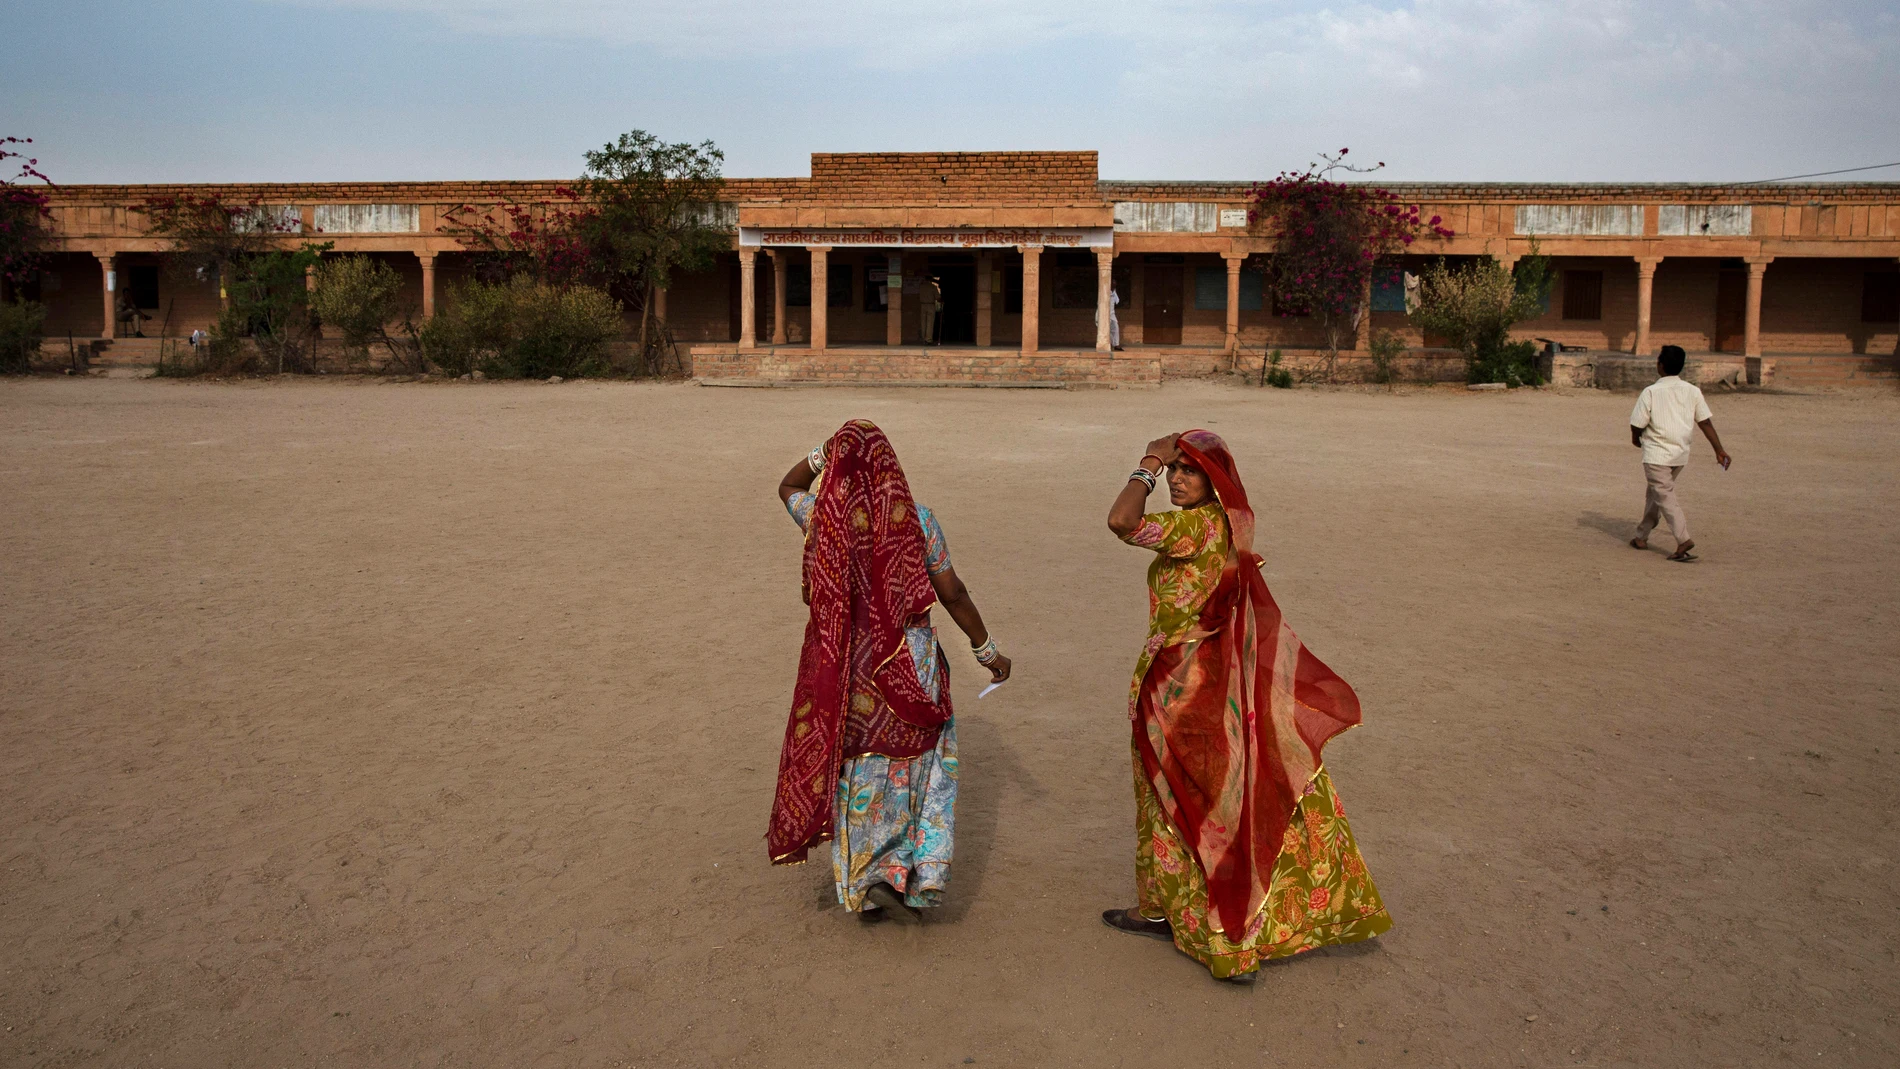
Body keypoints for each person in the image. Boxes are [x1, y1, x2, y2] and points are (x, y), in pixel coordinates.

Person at [1102, 430, 1391, 982]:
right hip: (1215, 681)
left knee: (1183, 798)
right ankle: (1167, 907)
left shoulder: (1193, 528)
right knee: (1203, 795)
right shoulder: (1230, 526)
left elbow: (1121, 520)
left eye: (1191, 471)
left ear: (1215, 484)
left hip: (1181, 689)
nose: (1178, 480)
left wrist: (1148, 464)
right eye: (1175, 471)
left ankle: (1218, 931)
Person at [767, 420, 1011, 922]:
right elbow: (953, 593)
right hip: (909, 662)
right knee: (921, 764)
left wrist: (821, 452)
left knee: (862, 765)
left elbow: (787, 486)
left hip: (853, 666)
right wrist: (986, 651)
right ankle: (911, 874)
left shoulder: (825, 519)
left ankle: (866, 876)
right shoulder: (918, 521)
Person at [1629, 344, 1731, 563]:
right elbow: (1705, 422)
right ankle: (1641, 536)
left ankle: (1683, 539)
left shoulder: (1651, 392)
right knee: (1656, 495)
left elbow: (1637, 423)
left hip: (1657, 455)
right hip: (1679, 455)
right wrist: (1719, 450)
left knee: (1664, 497)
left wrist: (1636, 438)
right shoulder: (1692, 391)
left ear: (1661, 365)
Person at [918, 275, 941, 345]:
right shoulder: (933, 287)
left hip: (922, 305)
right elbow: (938, 298)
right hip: (930, 305)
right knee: (930, 323)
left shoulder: (921, 287)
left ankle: (923, 338)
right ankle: (928, 339)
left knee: (923, 322)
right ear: (931, 280)